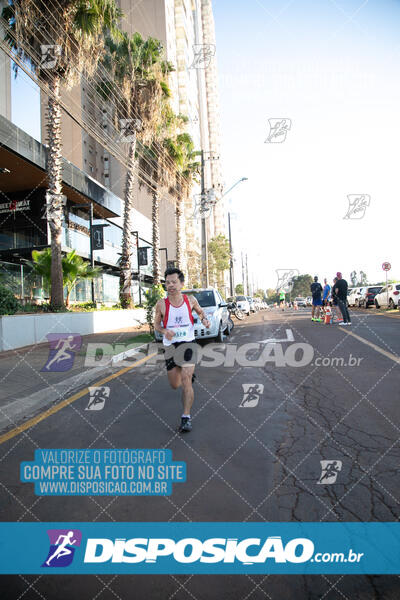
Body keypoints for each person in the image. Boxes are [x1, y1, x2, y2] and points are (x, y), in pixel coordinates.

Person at [154, 268, 211, 433]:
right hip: (171, 346)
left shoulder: (191, 300)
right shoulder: (161, 304)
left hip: (188, 344)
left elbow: (201, 313)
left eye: (174, 282)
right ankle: (185, 373)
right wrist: (165, 331)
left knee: (186, 380)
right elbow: (157, 325)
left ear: (181, 284)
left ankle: (186, 417)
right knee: (174, 384)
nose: (170, 285)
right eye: (167, 282)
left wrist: (205, 320)